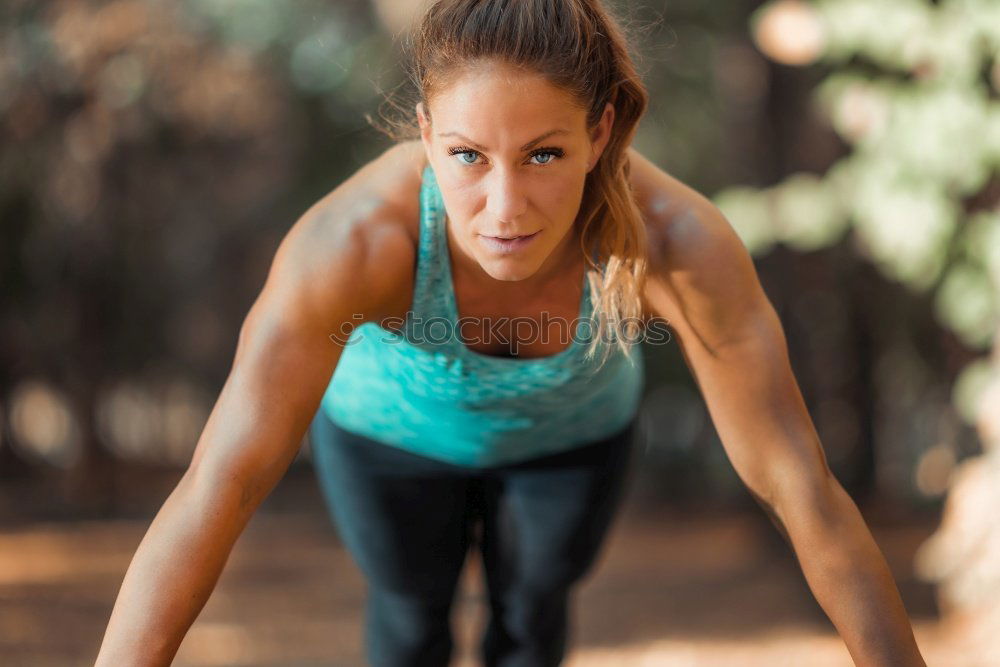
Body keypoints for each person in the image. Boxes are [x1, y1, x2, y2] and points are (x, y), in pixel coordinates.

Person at [96, 1, 928, 665]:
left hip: (570, 441)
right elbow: (219, 487)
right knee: (410, 620)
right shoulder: (353, 244)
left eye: (543, 155)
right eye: (466, 155)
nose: (503, 208)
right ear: (424, 133)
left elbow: (801, 490)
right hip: (389, 438)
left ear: (599, 132)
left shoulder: (679, 243)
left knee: (529, 627)